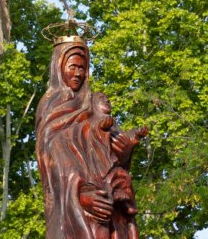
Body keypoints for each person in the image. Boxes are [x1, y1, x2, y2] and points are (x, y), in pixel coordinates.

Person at [36, 36, 146, 239]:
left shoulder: (94, 103)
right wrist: (79, 195)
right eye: (72, 67)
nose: (78, 73)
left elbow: (114, 156)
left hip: (107, 196)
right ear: (59, 67)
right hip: (74, 204)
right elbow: (51, 161)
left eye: (82, 68)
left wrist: (125, 150)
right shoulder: (50, 106)